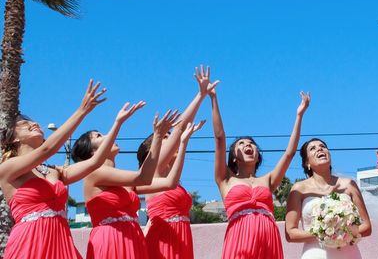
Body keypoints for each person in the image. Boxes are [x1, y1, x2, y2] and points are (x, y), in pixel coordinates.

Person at [0, 80, 139, 259]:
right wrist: (82, 110)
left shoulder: (52, 171)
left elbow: (94, 162)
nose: (33, 123)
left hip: (60, 242)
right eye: (23, 123)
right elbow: (47, 149)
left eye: (33, 121)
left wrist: (117, 123)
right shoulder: (7, 168)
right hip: (30, 242)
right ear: (13, 139)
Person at [211, 79, 310, 259]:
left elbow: (289, 153)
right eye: (241, 144)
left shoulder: (268, 180)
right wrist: (213, 98)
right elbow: (219, 138)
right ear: (233, 156)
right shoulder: (225, 178)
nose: (248, 145)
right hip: (239, 238)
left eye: (251, 144)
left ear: (257, 155)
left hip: (268, 238)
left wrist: (299, 115)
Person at [71, 109, 178, 259]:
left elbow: (170, 183)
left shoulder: (125, 181)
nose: (109, 136)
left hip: (133, 239)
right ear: (92, 153)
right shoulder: (93, 173)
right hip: (110, 240)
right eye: (99, 136)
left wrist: (183, 139)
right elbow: (144, 178)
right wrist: (158, 137)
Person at [138, 66, 211, 259]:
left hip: (182, 240)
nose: (172, 140)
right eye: (166, 138)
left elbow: (179, 135)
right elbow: (179, 128)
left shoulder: (171, 177)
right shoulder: (154, 169)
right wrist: (201, 95)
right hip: (163, 242)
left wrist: (184, 143)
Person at [285, 138, 372, 258]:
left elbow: (367, 227)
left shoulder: (349, 185)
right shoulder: (299, 189)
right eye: (312, 148)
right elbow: (290, 233)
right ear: (307, 163)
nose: (319, 148)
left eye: (323, 146)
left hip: (349, 253)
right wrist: (324, 232)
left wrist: (342, 231)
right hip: (315, 253)